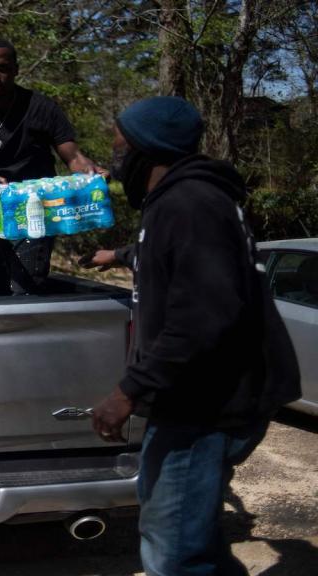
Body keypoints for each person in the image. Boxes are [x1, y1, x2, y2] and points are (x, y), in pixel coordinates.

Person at [90, 96, 300, 575]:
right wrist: (119, 254)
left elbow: (203, 316)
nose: (116, 159)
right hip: (194, 398)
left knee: (174, 551)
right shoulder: (185, 202)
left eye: (121, 148)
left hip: (204, 404)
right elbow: (174, 260)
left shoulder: (190, 204)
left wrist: (129, 391)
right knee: (191, 537)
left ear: (149, 150)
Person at [0, 38, 105, 295]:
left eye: (2, 68)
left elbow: (73, 158)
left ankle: (23, 330)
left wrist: (91, 173)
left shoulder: (42, 107)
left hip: (32, 211)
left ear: (16, 68)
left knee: (24, 287)